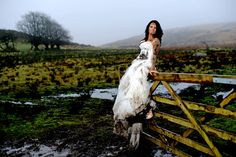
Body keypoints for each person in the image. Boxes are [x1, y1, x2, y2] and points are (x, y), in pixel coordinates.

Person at [112, 20, 163, 148]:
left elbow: (154, 56)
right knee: (127, 82)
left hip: (146, 64)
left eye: (155, 28)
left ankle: (146, 108)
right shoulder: (143, 40)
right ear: (148, 28)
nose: (153, 29)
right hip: (138, 62)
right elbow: (141, 53)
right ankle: (132, 111)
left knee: (138, 81)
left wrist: (152, 68)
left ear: (157, 30)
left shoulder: (156, 41)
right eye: (151, 27)